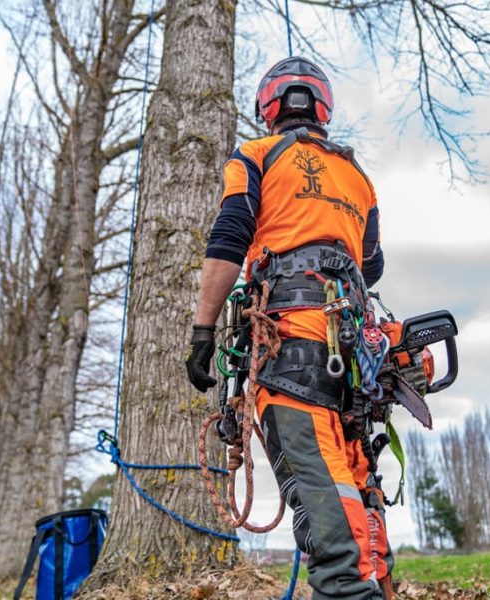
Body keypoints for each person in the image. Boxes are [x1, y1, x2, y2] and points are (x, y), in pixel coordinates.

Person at [186, 56, 392, 600]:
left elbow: (231, 235)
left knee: (330, 516)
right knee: (353, 486)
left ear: (268, 108)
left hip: (286, 348)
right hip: (353, 364)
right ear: (323, 109)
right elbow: (370, 267)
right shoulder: (358, 177)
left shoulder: (255, 155)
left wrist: (204, 331)